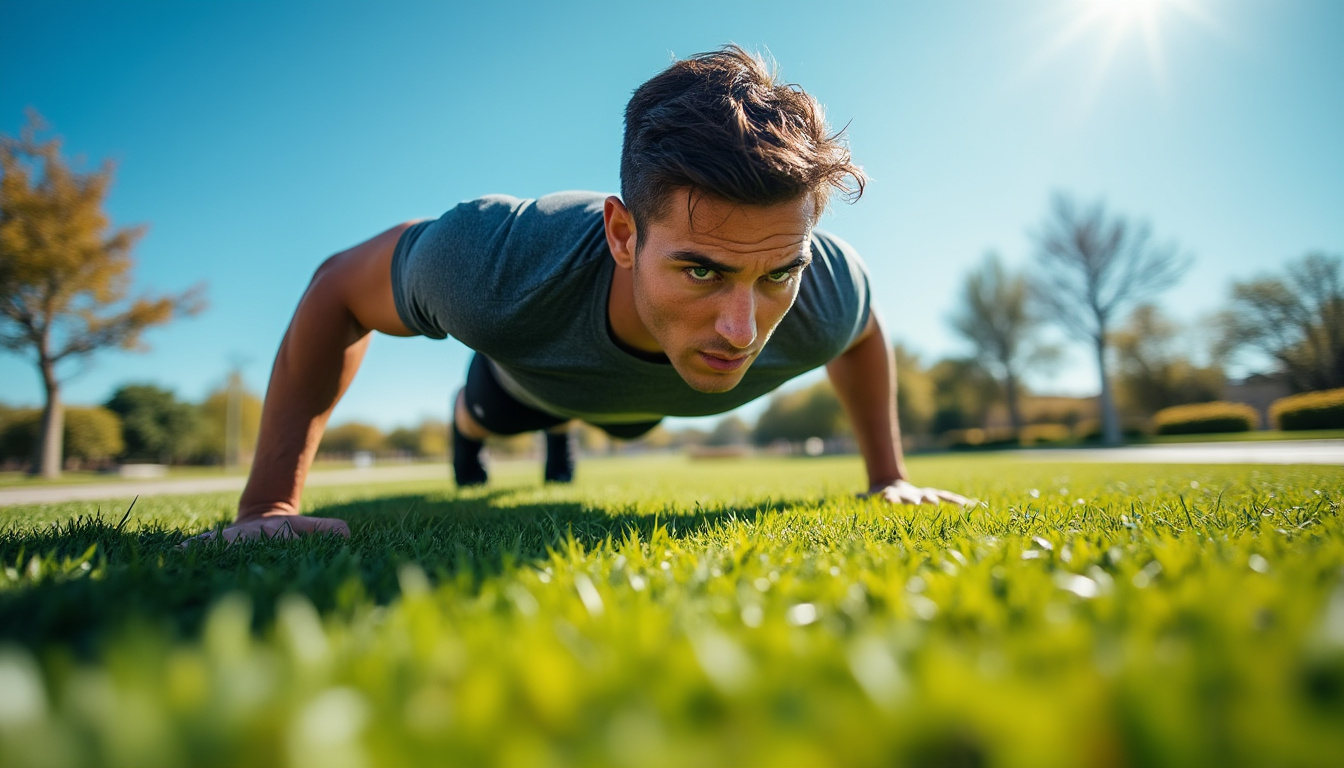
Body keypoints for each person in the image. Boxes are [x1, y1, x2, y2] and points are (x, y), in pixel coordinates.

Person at [201, 45, 966, 544]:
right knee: (495, 413)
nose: (741, 329)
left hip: (641, 400)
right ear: (623, 235)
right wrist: (268, 503)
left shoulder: (825, 285)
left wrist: (887, 477)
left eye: (776, 276)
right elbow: (337, 285)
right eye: (702, 270)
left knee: (630, 425)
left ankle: (572, 427)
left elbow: (863, 328)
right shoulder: (491, 263)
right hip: (525, 375)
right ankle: (473, 427)